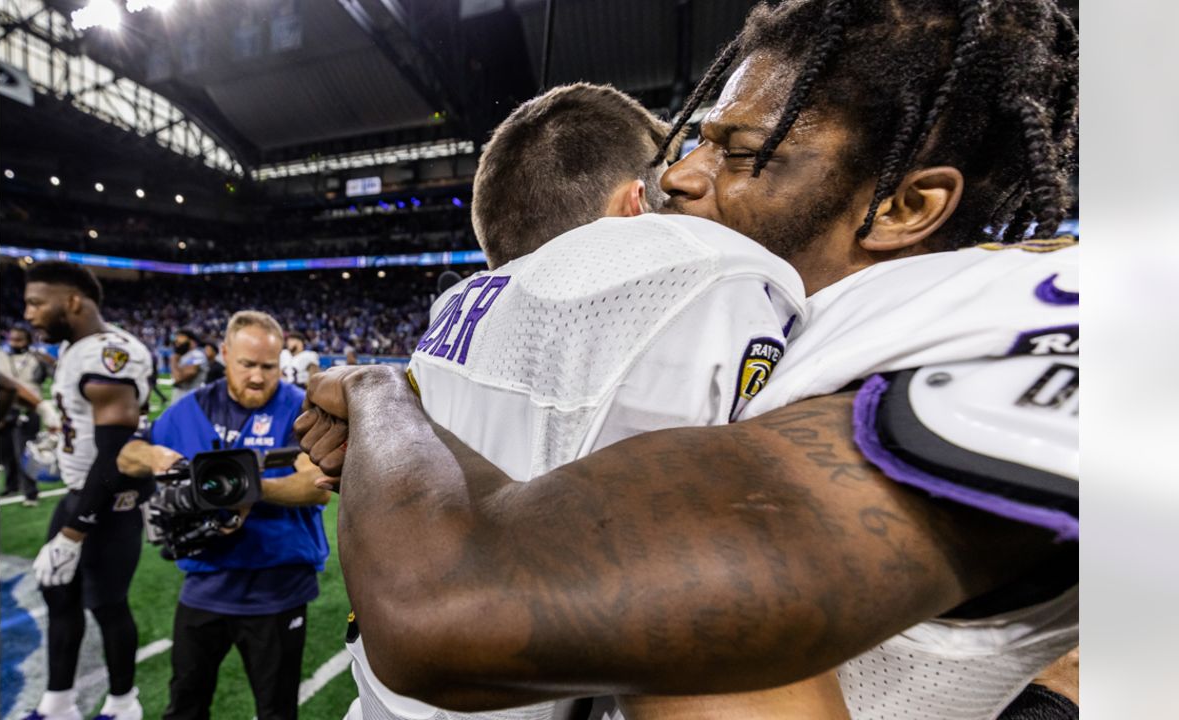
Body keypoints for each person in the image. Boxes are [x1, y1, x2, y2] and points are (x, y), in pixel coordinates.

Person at [296, 1, 1078, 718]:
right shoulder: (779, 311)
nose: (677, 173)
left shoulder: (1009, 322)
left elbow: (449, 605)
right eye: (700, 135)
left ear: (906, 207)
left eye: (740, 153)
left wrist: (379, 392)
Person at [336, 82, 847, 720]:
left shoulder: (458, 304)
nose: (688, 188)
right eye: (669, 179)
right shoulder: (690, 272)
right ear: (635, 206)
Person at [117, 310, 332, 720]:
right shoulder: (192, 408)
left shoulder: (298, 408)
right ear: (225, 355)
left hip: (277, 589)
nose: (257, 377)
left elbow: (317, 486)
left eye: (268, 367)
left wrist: (253, 489)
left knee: (276, 711)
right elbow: (127, 455)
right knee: (184, 706)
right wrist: (155, 456)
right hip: (206, 583)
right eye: (247, 364)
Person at [20, 262, 155, 720]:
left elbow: (115, 452)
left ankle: (123, 705)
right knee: (58, 591)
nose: (28, 312)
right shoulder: (74, 347)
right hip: (80, 490)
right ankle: (58, 703)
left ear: (73, 301)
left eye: (37, 302)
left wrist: (75, 531)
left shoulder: (110, 353)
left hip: (110, 500)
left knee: (107, 603)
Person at [1, 324, 50, 505]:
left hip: (30, 409)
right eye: (12, 339)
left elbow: (53, 372)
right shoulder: (1, 356)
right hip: (6, 409)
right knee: (5, 453)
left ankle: (30, 493)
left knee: (24, 451)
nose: (14, 343)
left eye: (19, 339)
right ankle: (11, 487)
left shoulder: (37, 358)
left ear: (28, 341)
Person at [169, 328, 208, 404]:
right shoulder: (183, 356)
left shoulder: (196, 355)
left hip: (191, 397)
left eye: (181, 339)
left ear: (192, 342)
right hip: (181, 396)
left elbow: (179, 378)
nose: (177, 342)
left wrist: (173, 361)